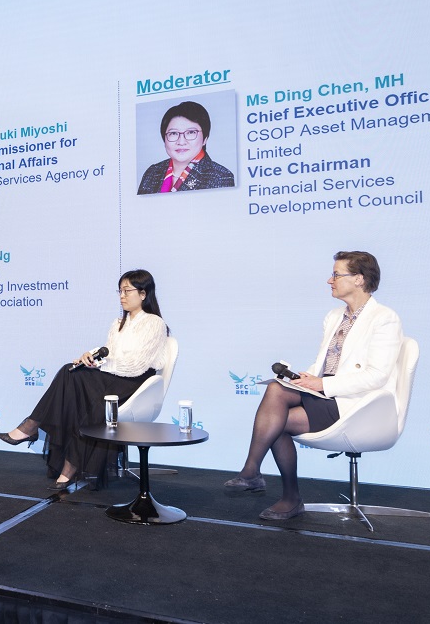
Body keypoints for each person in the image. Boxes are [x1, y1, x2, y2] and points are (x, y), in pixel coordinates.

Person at [224, 251, 403, 521]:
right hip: (326, 393)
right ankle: (258, 477)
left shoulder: (384, 318)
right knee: (276, 389)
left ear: (358, 279)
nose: (330, 280)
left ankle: (271, 485)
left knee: (276, 421)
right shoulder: (334, 316)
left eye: (336, 275)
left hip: (356, 404)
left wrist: (322, 384)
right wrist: (308, 378)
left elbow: (376, 376)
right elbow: (327, 364)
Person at [0, 270, 170, 489]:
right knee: (71, 372)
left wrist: (100, 364)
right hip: (113, 376)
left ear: (143, 294)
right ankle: (56, 453)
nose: (122, 296)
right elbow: (110, 352)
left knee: (77, 382)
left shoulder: (154, 323)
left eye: (127, 291)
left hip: (135, 384)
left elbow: (137, 365)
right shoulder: (118, 323)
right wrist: (91, 357)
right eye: (119, 291)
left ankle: (32, 427)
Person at [137, 101, 234, 194]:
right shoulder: (152, 172)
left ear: (205, 139)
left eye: (191, 132)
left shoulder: (221, 177)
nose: (181, 142)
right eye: (173, 133)